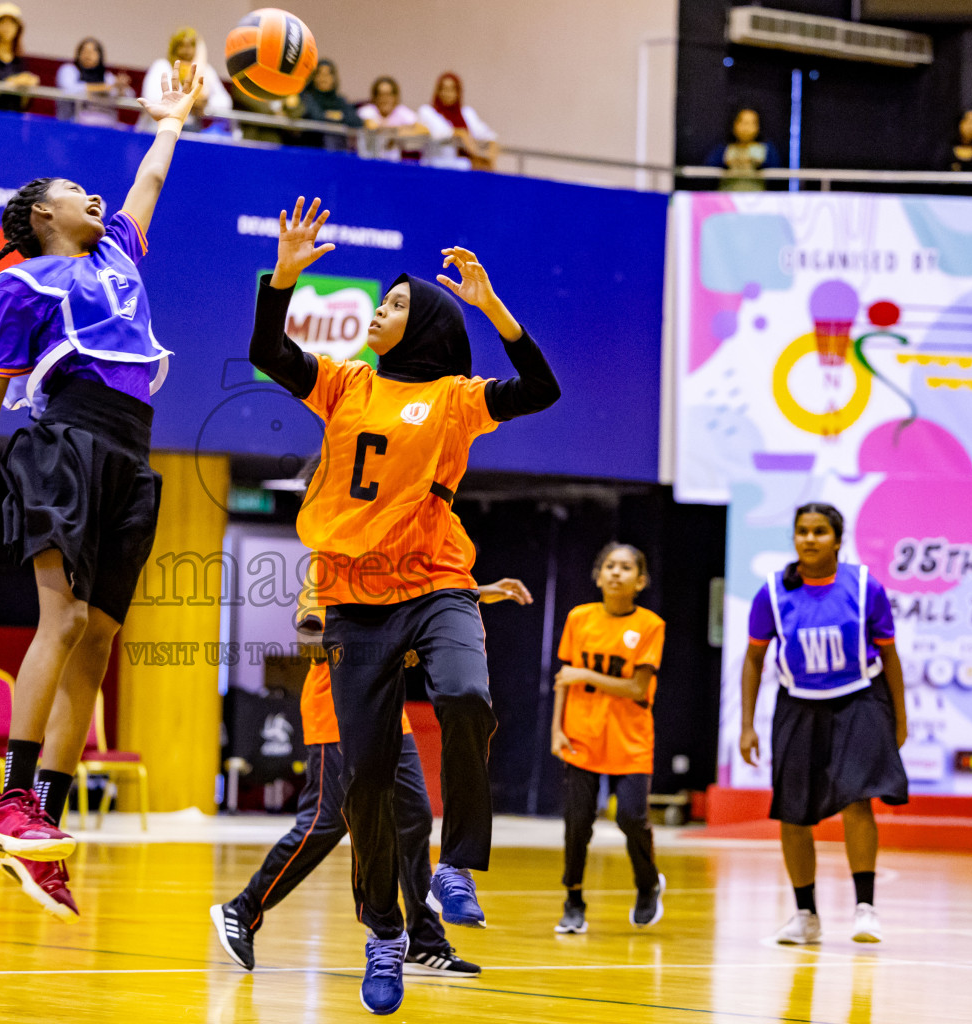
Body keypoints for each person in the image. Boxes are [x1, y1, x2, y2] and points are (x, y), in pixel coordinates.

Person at [248, 198, 561, 1015]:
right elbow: (266, 350)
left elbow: (542, 388)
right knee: (366, 791)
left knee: (465, 695)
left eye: (391, 304)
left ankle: (457, 864)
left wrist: (492, 308)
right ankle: (385, 935)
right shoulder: (344, 383)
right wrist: (281, 281)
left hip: (436, 584)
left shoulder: (458, 398)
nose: (376, 311)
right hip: (357, 604)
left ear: (421, 323)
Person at [0, 62, 206, 919]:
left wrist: (171, 119)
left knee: (98, 642)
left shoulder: (119, 249)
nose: (98, 198)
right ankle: (8, 797)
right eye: (77, 191)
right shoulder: (18, 285)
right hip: (63, 441)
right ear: (41, 215)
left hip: (133, 453)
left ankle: (40, 821)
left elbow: (150, 178)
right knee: (65, 618)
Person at [211, 557, 532, 977]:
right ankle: (243, 909)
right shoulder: (333, 561)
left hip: (389, 715)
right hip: (338, 713)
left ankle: (424, 939)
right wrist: (387, 644)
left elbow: (422, 607)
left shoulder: (400, 553)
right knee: (325, 822)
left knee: (413, 818)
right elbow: (309, 641)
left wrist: (477, 592)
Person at [740, 503, 909, 947]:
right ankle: (805, 914)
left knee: (858, 799)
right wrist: (747, 725)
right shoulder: (773, 594)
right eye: (801, 531)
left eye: (819, 532)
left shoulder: (865, 586)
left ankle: (865, 908)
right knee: (793, 812)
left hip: (859, 699)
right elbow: (754, 659)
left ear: (837, 539)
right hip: (799, 704)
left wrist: (900, 717)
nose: (809, 539)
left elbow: (890, 656)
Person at [551, 543, 666, 935]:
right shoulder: (579, 618)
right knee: (577, 823)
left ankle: (648, 884)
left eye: (626, 567)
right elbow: (563, 681)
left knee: (631, 817)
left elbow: (637, 688)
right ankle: (573, 900)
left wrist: (587, 677)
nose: (617, 573)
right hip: (582, 735)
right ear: (598, 576)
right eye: (610, 566)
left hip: (629, 739)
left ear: (641, 580)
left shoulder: (650, 625)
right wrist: (556, 730)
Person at [139, 28, 232, 134]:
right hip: (157, 130)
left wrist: (204, 104)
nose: (186, 50)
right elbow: (152, 98)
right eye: (182, 45)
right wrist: (186, 103)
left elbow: (225, 102)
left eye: (191, 45)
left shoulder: (205, 70)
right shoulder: (162, 66)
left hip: (192, 132)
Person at [417, 72, 498, 171]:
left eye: (452, 89)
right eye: (443, 89)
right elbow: (440, 132)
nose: (447, 93)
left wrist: (490, 153)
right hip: (437, 167)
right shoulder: (427, 111)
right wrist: (460, 134)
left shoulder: (467, 113)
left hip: (466, 169)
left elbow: (487, 134)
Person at [281, 59, 363, 151]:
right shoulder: (306, 97)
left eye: (328, 74)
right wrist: (336, 116)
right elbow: (316, 117)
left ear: (334, 78)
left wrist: (337, 116)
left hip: (337, 152)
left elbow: (356, 121)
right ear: (314, 77)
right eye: (319, 74)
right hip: (310, 148)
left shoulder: (340, 100)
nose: (323, 78)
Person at [55, 38, 134, 129]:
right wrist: (102, 88)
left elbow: (129, 95)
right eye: (84, 51)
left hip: (105, 126)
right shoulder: (68, 70)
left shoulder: (106, 76)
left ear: (100, 56)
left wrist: (121, 88)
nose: (88, 55)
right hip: (72, 124)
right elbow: (69, 89)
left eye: (93, 52)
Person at [706, 108, 781, 192]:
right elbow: (709, 169)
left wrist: (761, 163)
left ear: (758, 127)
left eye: (751, 123)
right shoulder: (725, 148)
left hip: (757, 198)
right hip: (728, 198)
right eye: (742, 122)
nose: (746, 128)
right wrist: (726, 161)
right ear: (734, 125)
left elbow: (776, 172)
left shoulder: (766, 149)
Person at [357, 76, 426, 162]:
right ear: (375, 97)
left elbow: (423, 129)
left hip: (393, 164)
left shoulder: (401, 111)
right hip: (369, 161)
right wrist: (396, 130)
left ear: (395, 97)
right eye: (381, 94)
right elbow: (372, 127)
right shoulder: (368, 110)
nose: (385, 99)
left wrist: (397, 132)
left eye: (388, 94)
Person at [934, 108, 972, 196]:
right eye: (968, 121)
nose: (971, 126)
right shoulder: (945, 152)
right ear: (960, 123)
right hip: (946, 200)